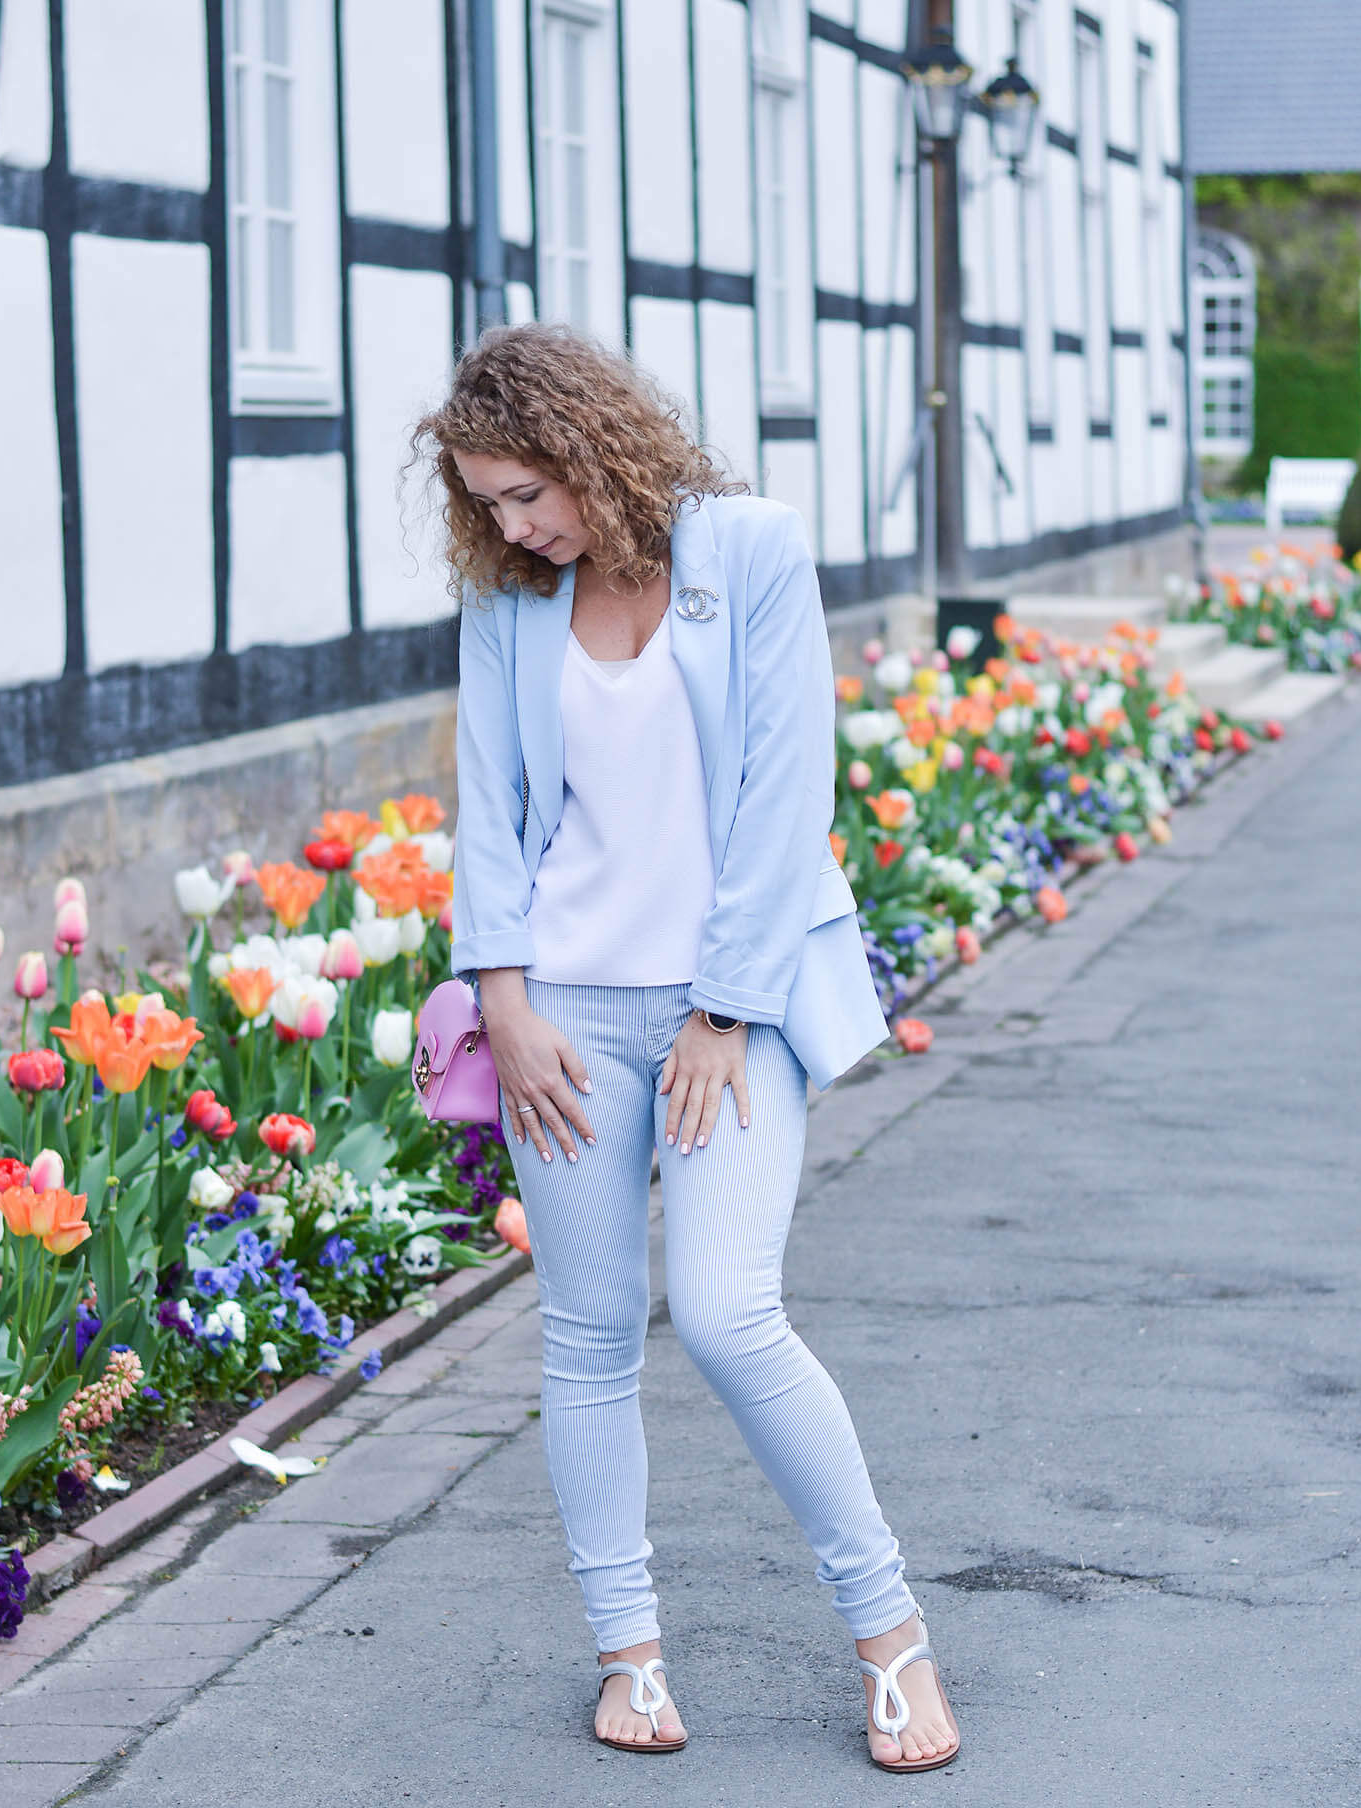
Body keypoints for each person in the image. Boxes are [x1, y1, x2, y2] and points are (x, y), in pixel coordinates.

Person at [416, 323, 959, 1774]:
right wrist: (508, 1002)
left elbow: (791, 792)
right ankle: (630, 1656)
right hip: (566, 1018)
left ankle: (891, 1636)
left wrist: (723, 1013)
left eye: (527, 492)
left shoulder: (752, 550)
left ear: (594, 444)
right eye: (488, 504)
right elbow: (487, 809)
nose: (513, 526)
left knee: (725, 1310)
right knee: (587, 1339)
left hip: (738, 1003)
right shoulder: (513, 603)